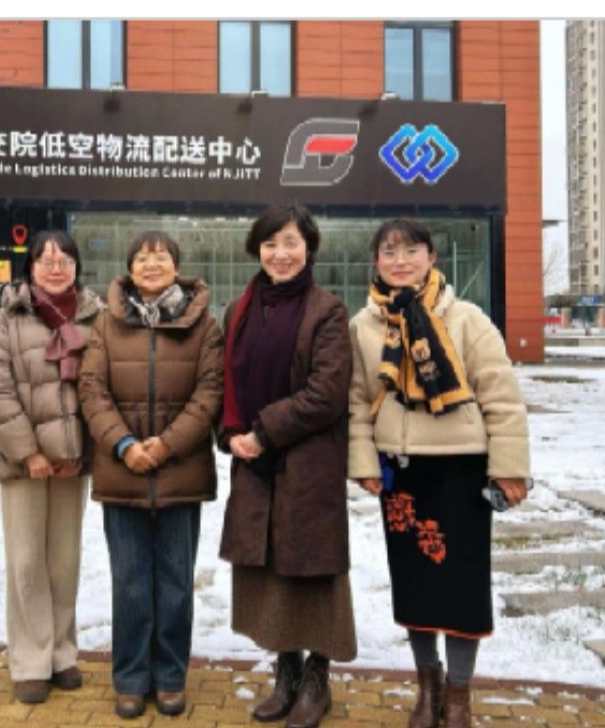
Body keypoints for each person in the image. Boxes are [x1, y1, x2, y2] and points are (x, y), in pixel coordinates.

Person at [346, 218, 531, 728]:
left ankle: (459, 694)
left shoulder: (467, 318)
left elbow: (501, 396)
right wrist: (364, 463)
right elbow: (357, 400)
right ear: (376, 262)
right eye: (389, 252)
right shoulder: (364, 326)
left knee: (462, 587)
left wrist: (509, 468)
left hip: (461, 472)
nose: (400, 261)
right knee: (416, 585)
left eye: (411, 250)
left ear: (431, 258)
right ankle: (427, 687)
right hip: (402, 473)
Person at [218, 204, 357, 728]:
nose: (281, 254)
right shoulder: (239, 311)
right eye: (271, 243)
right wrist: (232, 434)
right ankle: (286, 675)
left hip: (308, 464)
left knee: (313, 575)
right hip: (254, 465)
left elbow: (326, 393)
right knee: (271, 573)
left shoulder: (328, 311)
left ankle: (316, 682)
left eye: (292, 243)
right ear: (257, 249)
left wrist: (264, 431)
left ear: (309, 248)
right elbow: (226, 384)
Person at [78, 231, 224, 719]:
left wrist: (165, 445)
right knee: (130, 583)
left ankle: (170, 677)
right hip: (122, 473)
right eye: (142, 257)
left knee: (177, 584)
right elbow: (92, 390)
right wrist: (124, 445)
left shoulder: (204, 326)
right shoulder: (106, 324)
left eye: (160, 256)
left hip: (181, 473)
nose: (151, 264)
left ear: (176, 267)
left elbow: (210, 393)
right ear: (130, 269)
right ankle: (130, 677)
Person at [0, 230, 103, 705]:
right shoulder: (8, 318)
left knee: (64, 561)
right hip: (24, 463)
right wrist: (29, 452)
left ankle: (62, 653)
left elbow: (104, 387)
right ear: (31, 268)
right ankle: (30, 660)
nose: (55, 268)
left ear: (76, 266)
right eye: (45, 260)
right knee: (27, 560)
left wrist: (83, 452)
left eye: (64, 259)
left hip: (73, 462)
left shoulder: (95, 317)